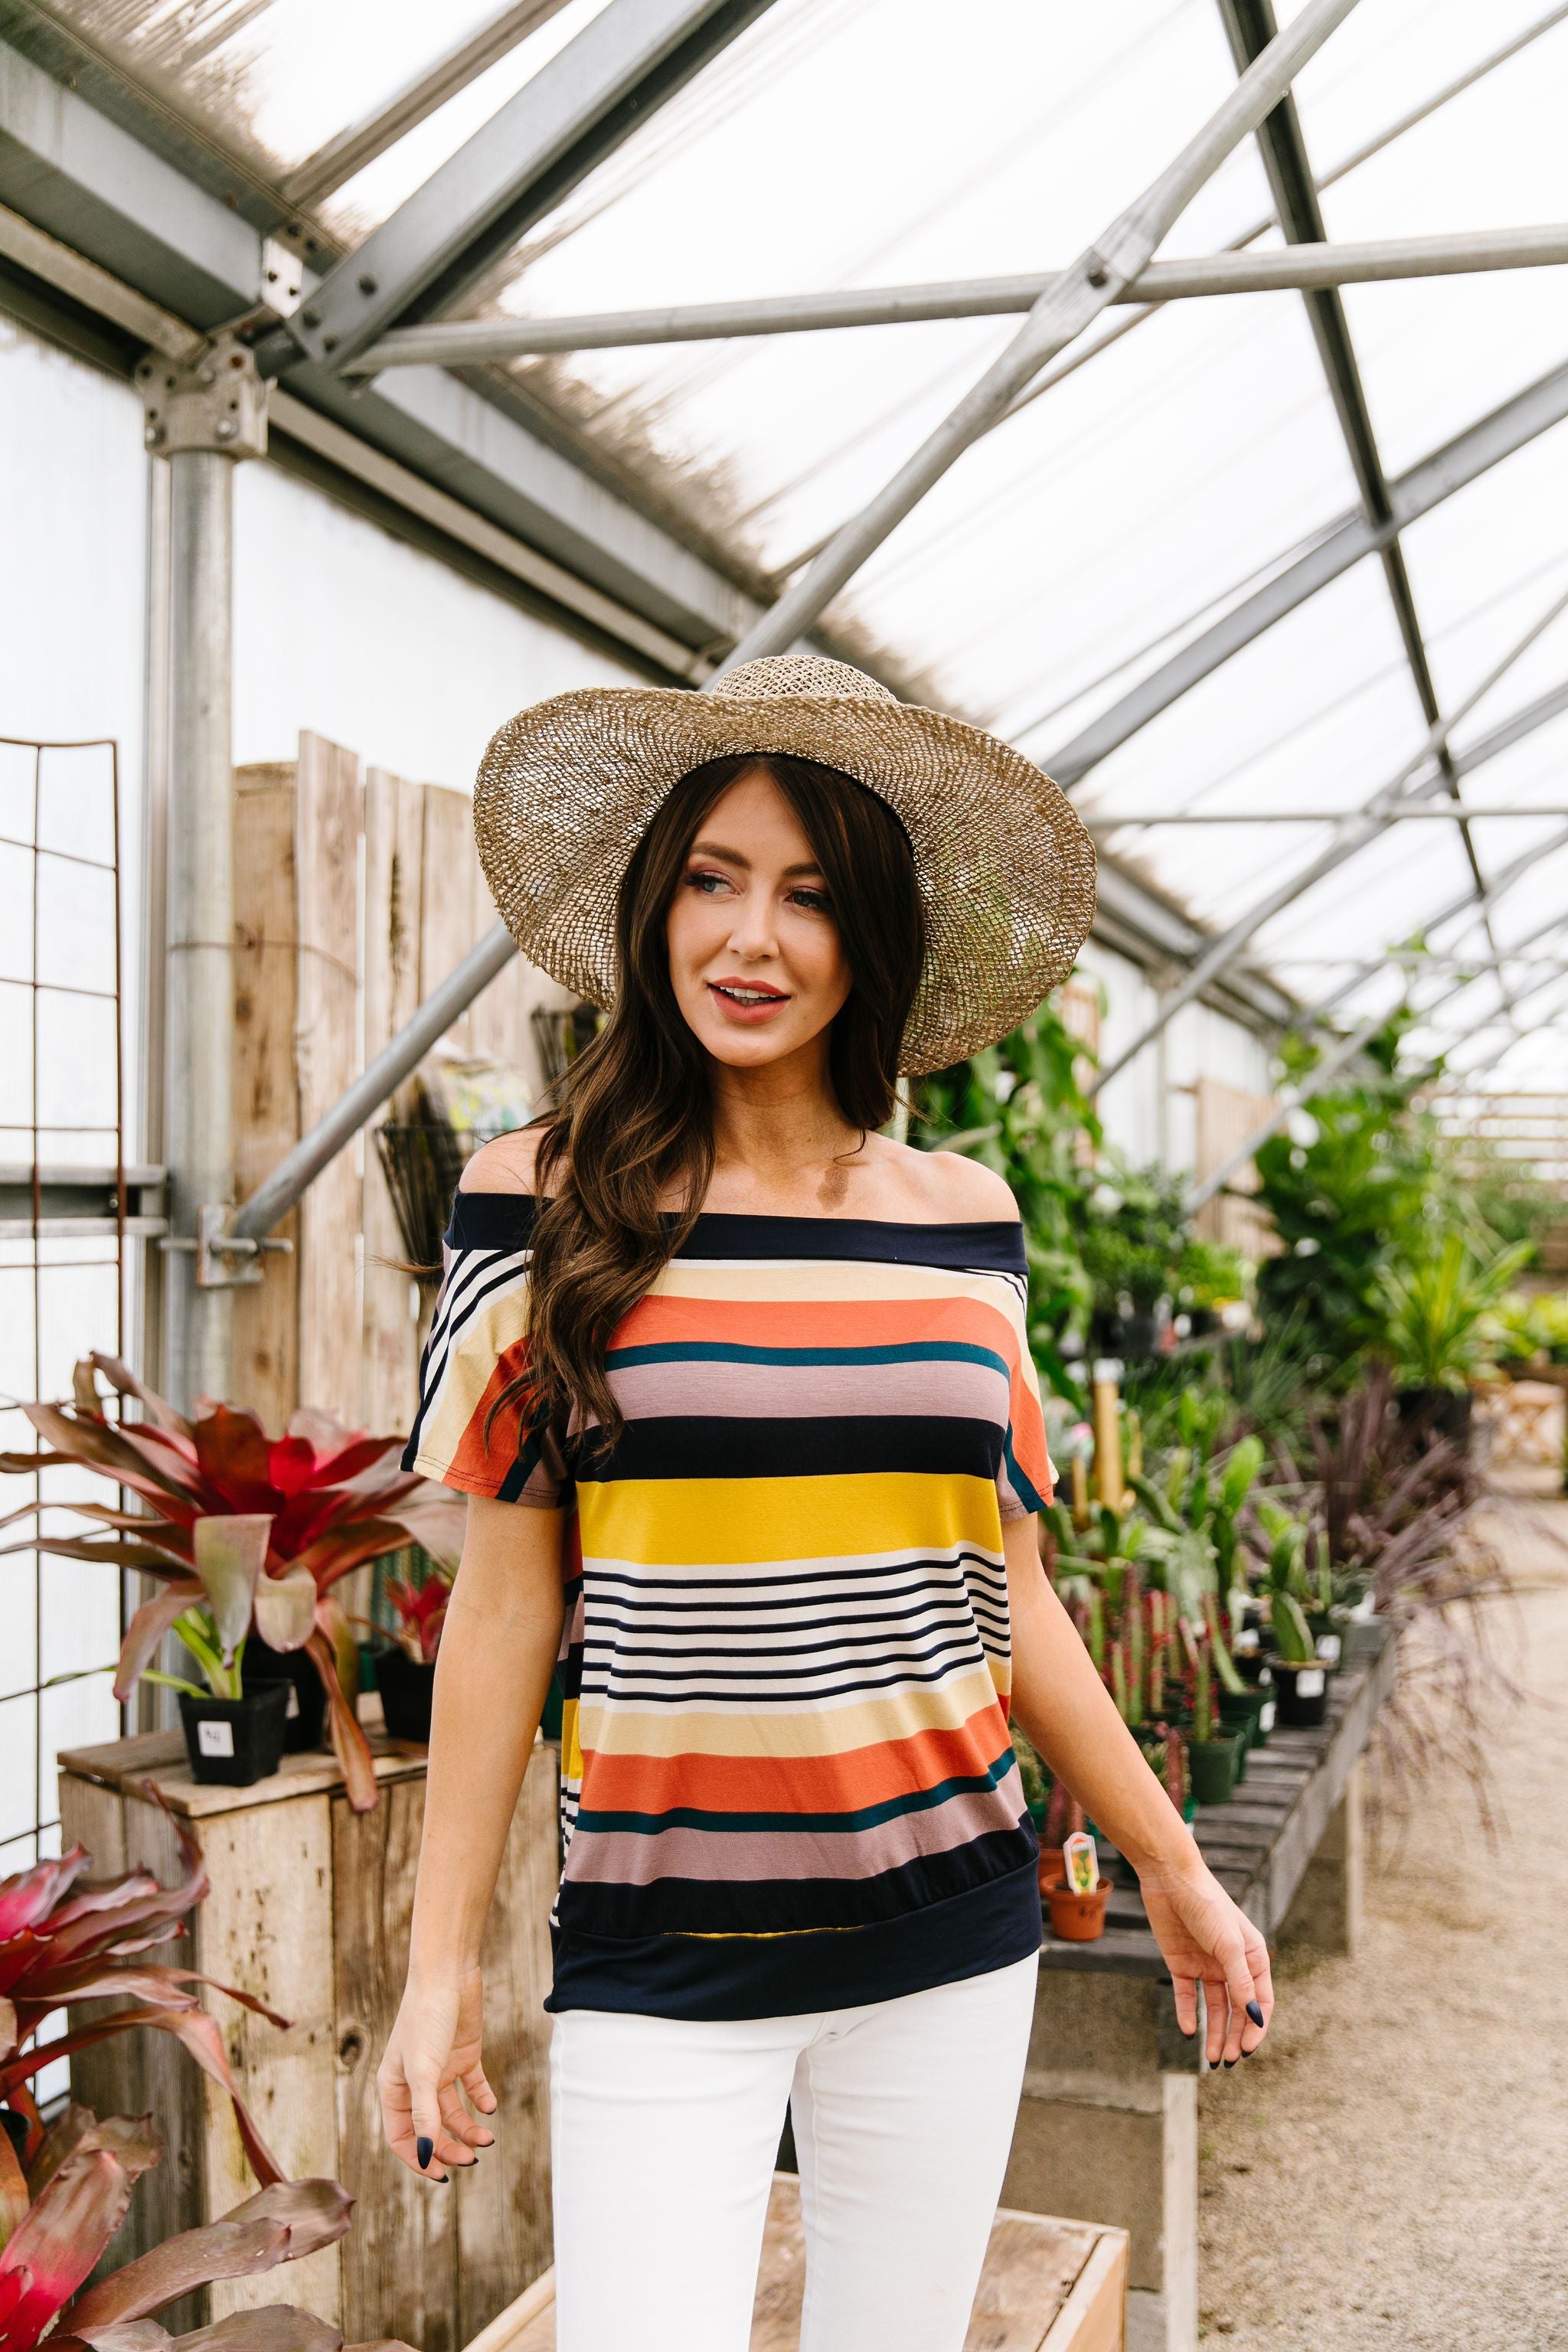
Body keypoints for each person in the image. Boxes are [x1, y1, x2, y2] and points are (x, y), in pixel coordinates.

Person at [377, 656, 1272, 2352]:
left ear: (866, 937)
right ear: (650, 912)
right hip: (660, 1944)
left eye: (804, 895)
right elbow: (503, 1608)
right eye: (710, 881)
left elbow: (1006, 1596)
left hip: (952, 1932)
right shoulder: (533, 1201)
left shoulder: (964, 1220)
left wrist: (1173, 1865)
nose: (748, 940)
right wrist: (441, 1974)